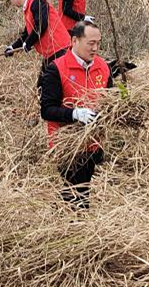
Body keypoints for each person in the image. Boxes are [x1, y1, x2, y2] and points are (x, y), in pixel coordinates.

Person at [39, 22, 113, 208]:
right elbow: (47, 110)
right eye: (90, 43)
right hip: (67, 144)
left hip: (93, 142)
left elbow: (111, 99)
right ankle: (74, 218)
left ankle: (68, 214)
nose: (95, 48)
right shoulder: (56, 69)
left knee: (83, 187)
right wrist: (74, 114)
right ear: (74, 41)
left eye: (98, 43)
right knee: (77, 192)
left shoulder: (103, 67)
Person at [3, 0, 71, 79]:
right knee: (43, 83)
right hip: (51, 52)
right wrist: (12, 48)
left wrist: (28, 42)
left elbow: (41, 25)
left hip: (59, 49)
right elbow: (27, 33)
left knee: (47, 83)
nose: (12, 2)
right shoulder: (29, 7)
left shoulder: (38, 2)